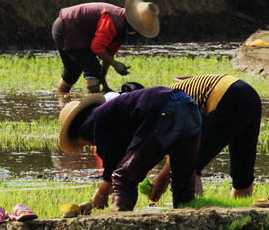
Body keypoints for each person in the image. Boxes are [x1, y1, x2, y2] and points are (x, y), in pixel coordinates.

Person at [58, 87, 201, 211]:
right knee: (182, 182)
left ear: (78, 136)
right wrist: (93, 201)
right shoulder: (110, 116)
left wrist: (101, 195)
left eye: (86, 144)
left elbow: (113, 169)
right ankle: (189, 219)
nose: (91, 145)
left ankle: (119, 224)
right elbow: (124, 161)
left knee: (123, 178)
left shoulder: (92, 124)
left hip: (164, 111)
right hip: (190, 106)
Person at [145, 74, 261, 200]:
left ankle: (195, 215)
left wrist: (163, 178)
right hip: (250, 94)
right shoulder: (165, 97)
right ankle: (241, 214)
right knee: (242, 173)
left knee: (189, 166)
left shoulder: (161, 109)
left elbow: (182, 148)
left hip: (226, 96)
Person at [52, 0, 160, 98]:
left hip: (70, 27)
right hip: (67, 26)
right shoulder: (113, 21)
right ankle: (93, 102)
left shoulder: (124, 29)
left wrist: (104, 82)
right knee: (92, 67)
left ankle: (61, 99)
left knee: (73, 70)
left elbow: (108, 53)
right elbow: (97, 47)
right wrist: (115, 64)